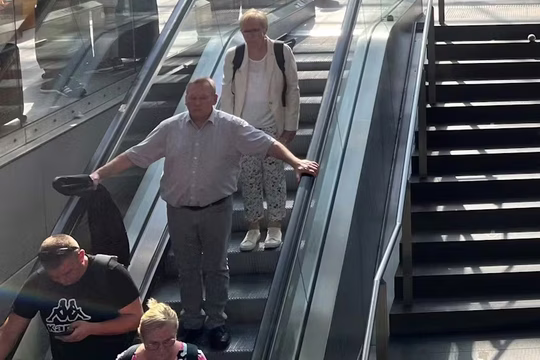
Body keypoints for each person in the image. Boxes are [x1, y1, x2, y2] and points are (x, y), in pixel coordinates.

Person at [89, 77, 318, 350]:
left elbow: (267, 144)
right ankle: (192, 321)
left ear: (214, 99)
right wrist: (99, 175)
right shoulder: (170, 128)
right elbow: (134, 155)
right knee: (187, 268)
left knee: (216, 267)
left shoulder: (231, 127)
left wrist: (296, 162)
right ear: (186, 98)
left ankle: (216, 323)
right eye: (192, 97)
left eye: (202, 97)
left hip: (216, 210)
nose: (196, 102)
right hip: (179, 211)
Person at [221, 11, 300, 251]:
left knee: (274, 175)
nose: (250, 35)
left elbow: (292, 89)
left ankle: (275, 225)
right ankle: (253, 227)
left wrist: (290, 126)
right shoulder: (234, 55)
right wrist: (228, 127)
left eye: (255, 30)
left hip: (272, 124)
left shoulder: (281, 52)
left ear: (265, 29)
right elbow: (227, 93)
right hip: (244, 126)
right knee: (249, 177)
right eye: (246, 31)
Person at [0, 234, 142, 360]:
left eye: (68, 272)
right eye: (55, 277)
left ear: (81, 255)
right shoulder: (38, 282)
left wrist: (92, 329)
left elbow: (135, 318)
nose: (63, 280)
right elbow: (10, 331)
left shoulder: (110, 272)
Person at [115, 299, 207, 360]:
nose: (161, 351)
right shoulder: (126, 358)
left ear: (176, 334)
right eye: (153, 344)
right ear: (142, 339)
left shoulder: (194, 357)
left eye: (168, 341)